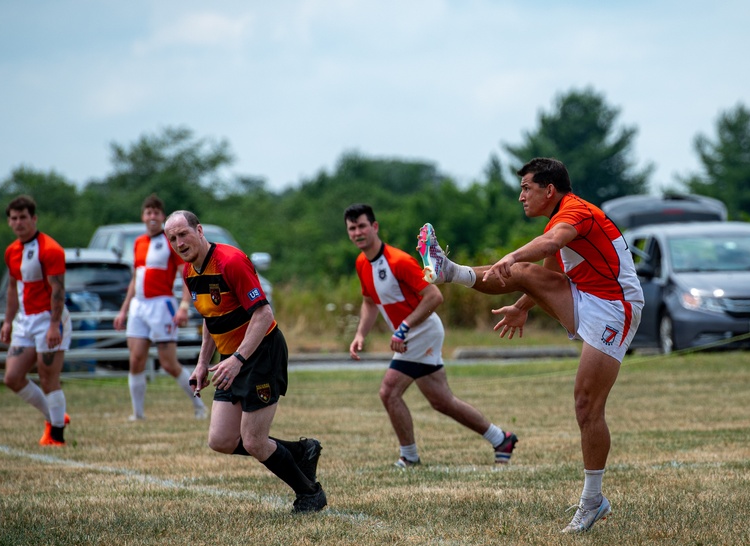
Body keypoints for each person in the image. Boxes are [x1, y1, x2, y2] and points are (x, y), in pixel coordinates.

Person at [416, 157, 644, 534]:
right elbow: (550, 274)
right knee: (521, 274)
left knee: (587, 406)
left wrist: (514, 255)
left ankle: (593, 501)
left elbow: (550, 244)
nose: (521, 196)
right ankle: (448, 271)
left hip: (615, 308)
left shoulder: (575, 212)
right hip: (589, 297)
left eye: (526, 188)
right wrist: (523, 307)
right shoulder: (558, 217)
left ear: (549, 190)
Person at [164, 210, 326, 513]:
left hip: (261, 352)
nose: (179, 242)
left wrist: (238, 359)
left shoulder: (230, 261)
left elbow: (264, 314)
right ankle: (302, 451)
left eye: (183, 233)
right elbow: (210, 319)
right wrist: (202, 363)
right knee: (222, 440)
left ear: (199, 230)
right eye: (172, 238)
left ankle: (310, 494)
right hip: (231, 358)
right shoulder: (189, 272)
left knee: (253, 440)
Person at [344, 203, 518, 469]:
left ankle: (409, 456)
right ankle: (501, 439)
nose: (358, 232)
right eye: (352, 228)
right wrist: (360, 334)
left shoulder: (399, 261)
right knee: (442, 401)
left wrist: (403, 328)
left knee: (388, 392)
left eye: (362, 226)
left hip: (422, 331)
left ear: (375, 227)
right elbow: (369, 302)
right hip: (412, 333)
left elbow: (434, 296)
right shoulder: (362, 263)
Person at [114, 194, 208, 421]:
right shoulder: (138, 243)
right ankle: (138, 414)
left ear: (163, 217)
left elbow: (186, 275)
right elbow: (136, 278)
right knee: (135, 360)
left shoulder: (171, 241)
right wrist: (124, 309)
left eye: (156, 212)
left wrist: (184, 306)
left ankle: (199, 406)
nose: (152, 216)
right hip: (139, 306)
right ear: (143, 216)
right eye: (148, 212)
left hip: (161, 306)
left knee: (168, 364)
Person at [0, 195, 71, 446]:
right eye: (14, 218)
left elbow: (58, 291)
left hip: (48, 318)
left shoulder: (50, 249)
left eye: (23, 217)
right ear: (9, 222)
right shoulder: (12, 251)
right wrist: (8, 321)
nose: (18, 223)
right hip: (25, 320)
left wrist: (54, 325)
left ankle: (57, 435)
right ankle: (55, 417)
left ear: (34, 219)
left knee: (48, 377)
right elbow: (12, 288)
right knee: (12, 377)